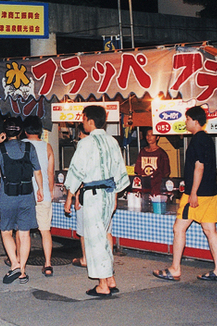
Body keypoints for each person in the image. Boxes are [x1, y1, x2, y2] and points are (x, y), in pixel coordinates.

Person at [153, 106, 217, 282]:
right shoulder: (207, 139)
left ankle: (175, 269)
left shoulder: (198, 140)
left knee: (178, 228)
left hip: (197, 194)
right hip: (210, 193)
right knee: (210, 230)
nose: (185, 122)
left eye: (187, 119)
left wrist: (193, 192)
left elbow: (199, 166)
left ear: (195, 120)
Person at [63, 106, 129, 297]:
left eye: (83, 119)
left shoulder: (86, 143)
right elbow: (119, 172)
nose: (82, 123)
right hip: (109, 195)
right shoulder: (112, 142)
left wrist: (69, 197)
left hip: (93, 196)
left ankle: (102, 285)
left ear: (89, 120)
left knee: (96, 240)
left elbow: (76, 172)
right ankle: (110, 279)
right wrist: (115, 197)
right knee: (105, 236)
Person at [0, 117, 43, 285]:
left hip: (7, 196)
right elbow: (37, 171)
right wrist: (40, 189)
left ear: (6, 131)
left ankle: (15, 264)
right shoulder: (29, 147)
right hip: (27, 195)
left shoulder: (0, 149)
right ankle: (22, 272)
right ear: (20, 131)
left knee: (6, 231)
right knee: (24, 234)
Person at [22, 115, 55, 277]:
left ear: (26, 130)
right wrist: (49, 192)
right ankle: (48, 264)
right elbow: (50, 173)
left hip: (24, 193)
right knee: (45, 230)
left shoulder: (21, 145)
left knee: (22, 230)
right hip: (44, 195)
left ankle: (18, 262)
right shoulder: (47, 147)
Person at [134, 128, 171, 195]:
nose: (149, 137)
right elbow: (137, 170)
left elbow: (166, 172)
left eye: (152, 135)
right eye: (147, 135)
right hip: (143, 187)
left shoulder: (161, 153)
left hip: (156, 188)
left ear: (157, 137)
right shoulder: (142, 151)